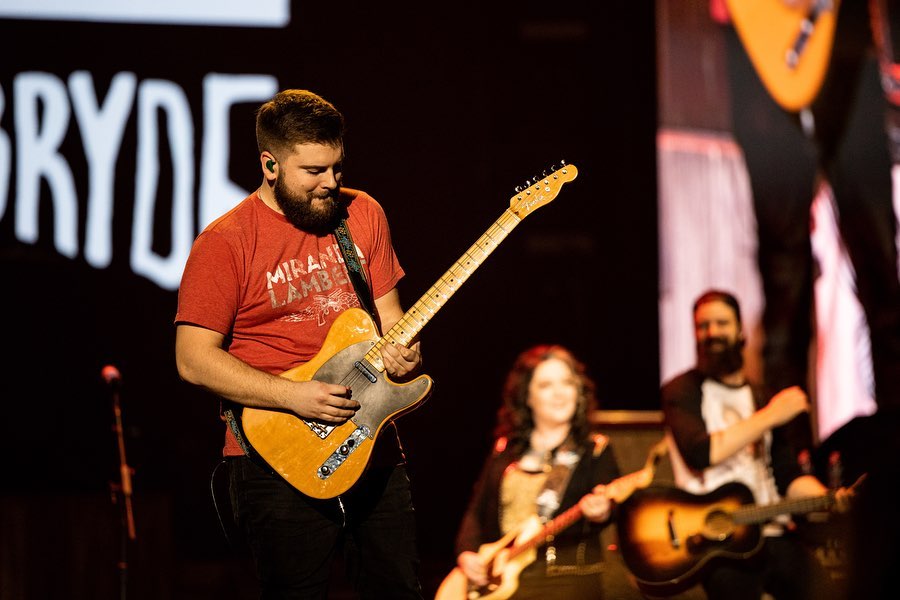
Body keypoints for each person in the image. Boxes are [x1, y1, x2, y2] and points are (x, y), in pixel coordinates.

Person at [174, 89, 424, 599]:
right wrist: (294, 396)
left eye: (336, 166)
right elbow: (192, 360)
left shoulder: (363, 213)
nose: (330, 182)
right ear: (270, 165)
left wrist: (406, 353)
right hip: (277, 456)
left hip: (370, 440)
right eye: (313, 171)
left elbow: (393, 320)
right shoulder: (225, 242)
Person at [711, 0, 900, 407]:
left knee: (879, 261)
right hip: (762, 37)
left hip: (845, 41)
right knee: (783, 275)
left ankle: (892, 431)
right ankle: (788, 439)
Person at [661, 289, 855, 600]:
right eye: (703, 326)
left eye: (721, 323)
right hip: (718, 541)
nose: (712, 333)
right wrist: (772, 415)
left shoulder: (761, 396)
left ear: (741, 331)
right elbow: (701, 453)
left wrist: (829, 498)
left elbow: (787, 475)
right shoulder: (682, 390)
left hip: (772, 530)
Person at [448, 344, 621, 600]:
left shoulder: (595, 450)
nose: (559, 393)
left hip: (568, 585)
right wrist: (467, 553)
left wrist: (604, 510)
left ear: (579, 391)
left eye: (567, 383)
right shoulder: (504, 450)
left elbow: (616, 506)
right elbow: (476, 511)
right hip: (501, 585)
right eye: (546, 385)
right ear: (527, 396)